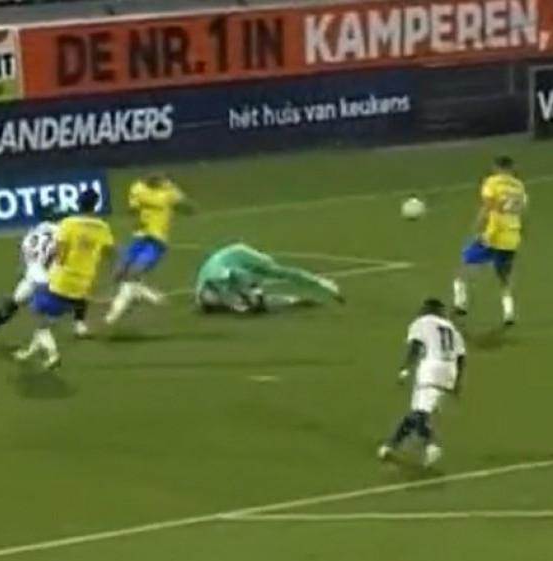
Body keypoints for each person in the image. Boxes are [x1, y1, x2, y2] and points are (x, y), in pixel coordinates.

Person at [15, 191, 113, 369]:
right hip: (83, 284)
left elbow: (59, 254)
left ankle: (53, 355)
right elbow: (108, 252)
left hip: (61, 281)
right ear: (95, 206)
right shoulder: (103, 227)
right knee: (48, 319)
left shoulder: (68, 223)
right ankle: (30, 350)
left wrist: (49, 263)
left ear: (78, 203)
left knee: (37, 314)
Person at [379, 298, 466, 468]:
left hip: (430, 369)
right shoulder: (452, 328)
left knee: (420, 414)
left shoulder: (422, 322)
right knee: (417, 412)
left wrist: (406, 368)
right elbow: (461, 357)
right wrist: (457, 382)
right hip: (450, 371)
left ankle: (431, 444)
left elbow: (416, 345)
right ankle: (390, 446)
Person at [0, 206, 90, 340]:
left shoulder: (31, 232)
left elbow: (25, 254)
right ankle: (78, 324)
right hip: (47, 272)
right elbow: (62, 250)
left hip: (32, 271)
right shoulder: (59, 230)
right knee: (76, 291)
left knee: (15, 300)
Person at [104, 173, 194, 325]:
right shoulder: (137, 188)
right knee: (118, 273)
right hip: (139, 236)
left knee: (134, 273)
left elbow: (187, 206)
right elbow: (132, 208)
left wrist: (185, 205)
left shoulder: (169, 190)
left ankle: (113, 315)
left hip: (157, 240)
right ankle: (141, 293)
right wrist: (135, 216)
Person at [453, 155, 528, 326]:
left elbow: (488, 206)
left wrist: (476, 228)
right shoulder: (519, 187)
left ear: (497, 168)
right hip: (511, 238)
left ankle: (460, 303)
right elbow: (522, 212)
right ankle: (508, 313)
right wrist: (522, 233)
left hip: (493, 235)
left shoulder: (492, 182)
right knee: (504, 276)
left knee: (463, 266)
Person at [194, 242, 343, 314]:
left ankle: (294, 300)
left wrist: (323, 283)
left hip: (211, 291)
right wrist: (253, 293)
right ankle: (292, 300)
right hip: (211, 289)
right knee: (250, 303)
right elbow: (229, 278)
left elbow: (285, 273)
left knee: (251, 302)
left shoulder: (239, 261)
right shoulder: (229, 266)